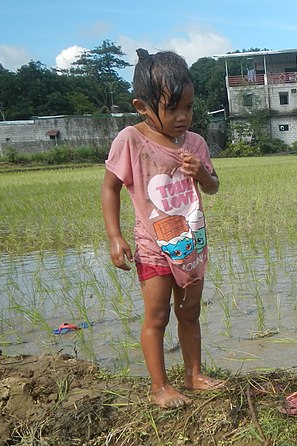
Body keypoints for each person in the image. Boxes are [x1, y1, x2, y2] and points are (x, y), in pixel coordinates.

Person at [101, 49, 223, 408]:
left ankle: (194, 374)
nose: (183, 117)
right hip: (153, 246)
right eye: (172, 109)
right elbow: (110, 188)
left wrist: (201, 172)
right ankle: (159, 387)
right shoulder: (131, 140)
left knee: (190, 312)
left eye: (189, 107)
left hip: (191, 244)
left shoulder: (196, 143)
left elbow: (213, 186)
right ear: (142, 106)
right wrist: (115, 236)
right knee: (157, 316)